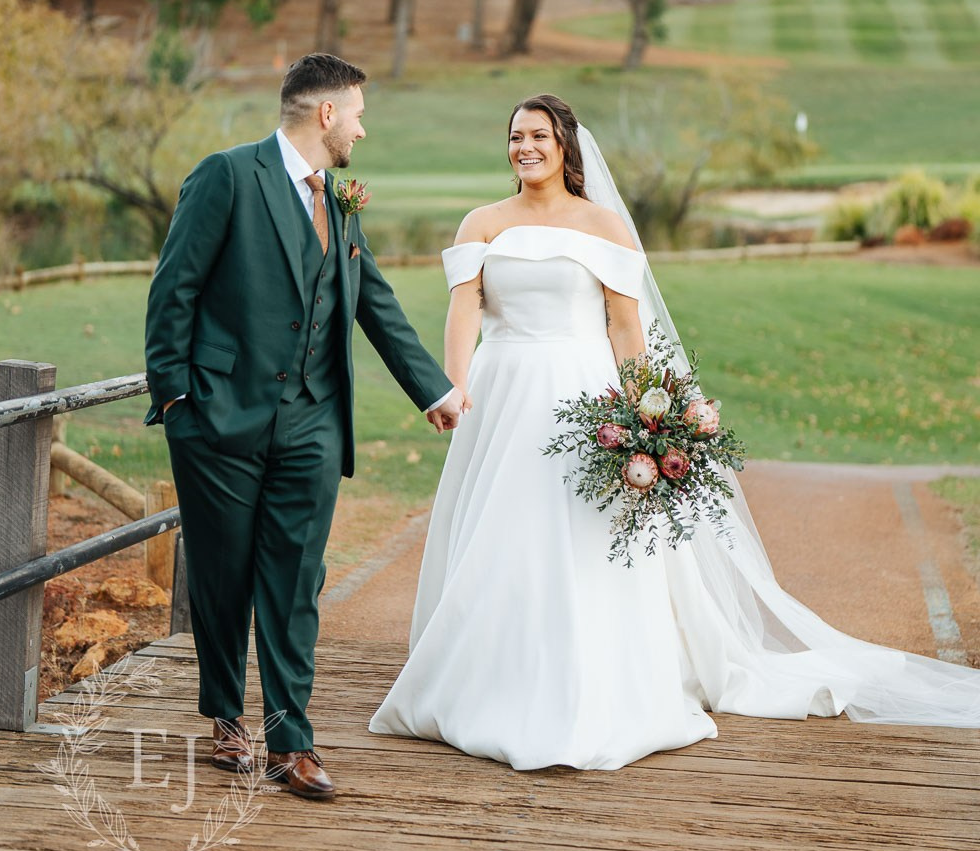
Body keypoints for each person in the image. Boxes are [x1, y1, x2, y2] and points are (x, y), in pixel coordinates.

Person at [369, 93, 980, 771]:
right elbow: (466, 315)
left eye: (539, 135)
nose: (526, 148)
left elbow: (627, 329)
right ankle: (485, 673)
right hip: (503, 392)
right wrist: (452, 390)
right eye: (516, 137)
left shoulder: (604, 226)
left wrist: (646, 418)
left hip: (583, 393)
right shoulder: (482, 222)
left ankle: (590, 676)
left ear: (566, 145)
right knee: (500, 526)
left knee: (580, 532)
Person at [145, 53, 462, 800]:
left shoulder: (341, 201)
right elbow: (173, 292)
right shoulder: (226, 176)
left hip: (314, 423)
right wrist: (178, 405)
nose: (362, 126)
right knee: (220, 576)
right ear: (325, 115)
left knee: (294, 582)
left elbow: (372, 301)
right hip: (218, 419)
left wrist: (433, 390)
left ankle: (292, 740)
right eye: (356, 112)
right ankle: (225, 716)